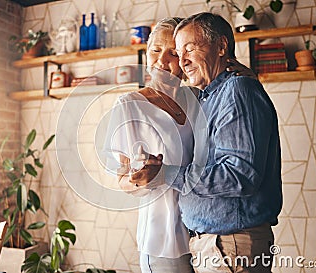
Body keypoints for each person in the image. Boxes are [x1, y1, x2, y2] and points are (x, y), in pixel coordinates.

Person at [131, 12, 283, 273]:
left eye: (189, 49)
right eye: (179, 53)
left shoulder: (237, 90)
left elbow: (239, 175)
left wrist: (166, 173)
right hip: (219, 246)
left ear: (222, 46)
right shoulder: (209, 96)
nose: (182, 60)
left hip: (231, 246)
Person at [104, 16, 256, 273]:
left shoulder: (199, 97)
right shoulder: (130, 105)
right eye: (155, 50)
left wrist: (249, 77)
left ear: (186, 58)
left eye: (173, 52)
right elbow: (121, 178)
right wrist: (137, 179)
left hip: (206, 235)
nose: (162, 60)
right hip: (164, 238)